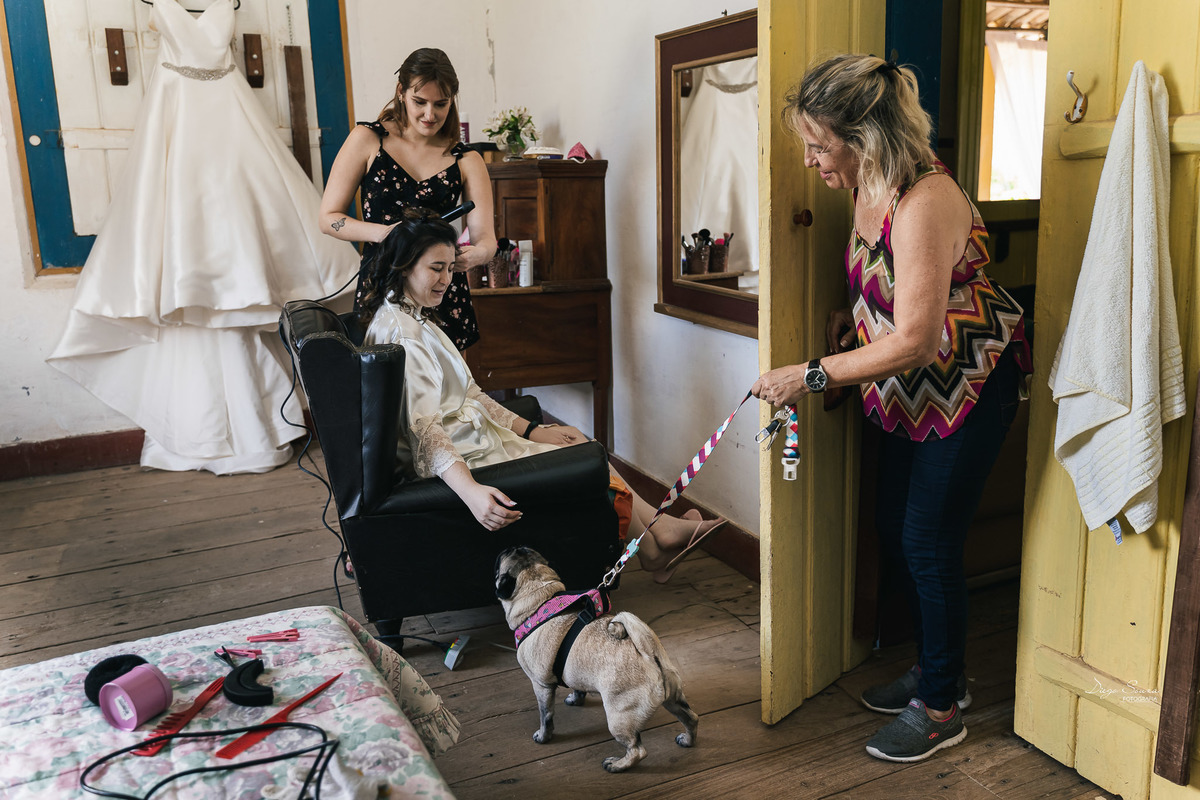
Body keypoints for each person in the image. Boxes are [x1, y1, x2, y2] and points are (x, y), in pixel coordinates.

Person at [751, 54, 1032, 763]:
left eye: (820, 145)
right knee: (891, 524)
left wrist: (811, 375)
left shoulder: (926, 199)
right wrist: (856, 319)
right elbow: (891, 292)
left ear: (865, 137)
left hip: (967, 384)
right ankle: (945, 669)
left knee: (927, 543)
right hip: (913, 390)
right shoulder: (865, 182)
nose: (811, 160)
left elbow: (915, 338)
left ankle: (942, 705)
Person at [47, 0, 359, 475]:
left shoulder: (222, 5)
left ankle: (244, 429)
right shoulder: (162, 6)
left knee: (239, 240)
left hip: (229, 134)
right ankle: (229, 431)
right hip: (184, 126)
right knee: (186, 236)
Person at [363, 208, 727, 582]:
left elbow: (470, 393)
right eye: (435, 268)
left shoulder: (413, 316)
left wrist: (533, 431)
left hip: (475, 442)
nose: (446, 280)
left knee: (576, 442)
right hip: (466, 459)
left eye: (450, 268)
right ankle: (657, 540)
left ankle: (656, 540)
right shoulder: (405, 335)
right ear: (404, 266)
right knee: (585, 454)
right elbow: (426, 433)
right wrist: (471, 493)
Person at [320, 47, 494, 351]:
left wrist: (473, 256)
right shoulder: (367, 140)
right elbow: (327, 218)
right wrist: (384, 233)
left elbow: (487, 242)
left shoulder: (466, 159)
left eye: (441, 104)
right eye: (419, 102)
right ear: (401, 92)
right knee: (383, 391)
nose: (430, 114)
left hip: (441, 290)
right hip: (382, 285)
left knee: (451, 392)